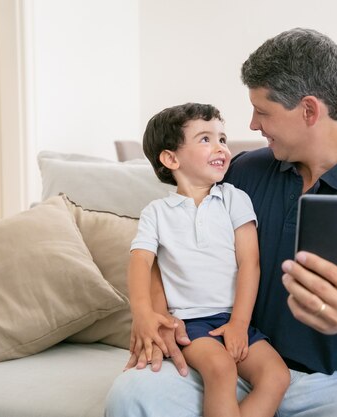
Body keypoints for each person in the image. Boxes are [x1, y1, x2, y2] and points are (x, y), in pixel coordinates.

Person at [106, 28, 337, 417]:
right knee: (133, 394)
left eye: (263, 111)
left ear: (309, 110)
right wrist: (156, 314)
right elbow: (162, 249)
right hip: (235, 358)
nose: (253, 125)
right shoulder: (245, 171)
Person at [125, 102, 290, 417]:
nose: (221, 148)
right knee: (221, 369)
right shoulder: (156, 213)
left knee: (277, 376)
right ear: (171, 158)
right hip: (190, 323)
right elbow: (140, 263)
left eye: (223, 139)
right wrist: (143, 313)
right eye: (205, 139)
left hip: (233, 319)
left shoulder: (235, 199)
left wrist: (240, 324)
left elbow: (249, 264)